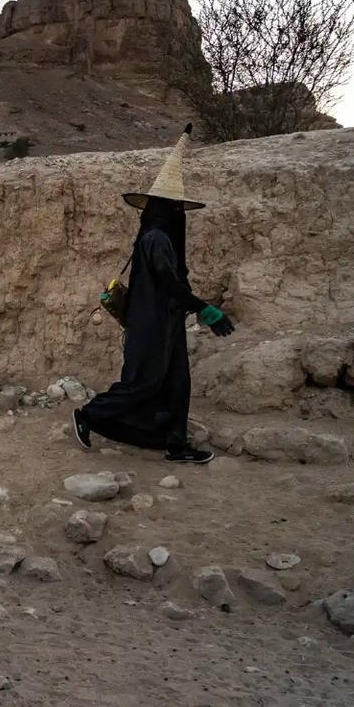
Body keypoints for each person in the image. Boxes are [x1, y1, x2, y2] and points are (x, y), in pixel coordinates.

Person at [72, 124, 235, 464]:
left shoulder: (157, 236)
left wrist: (189, 308)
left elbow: (174, 282)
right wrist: (204, 309)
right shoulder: (158, 239)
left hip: (167, 321)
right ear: (168, 211)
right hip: (151, 323)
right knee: (142, 383)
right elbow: (168, 283)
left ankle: (176, 444)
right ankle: (89, 414)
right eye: (175, 210)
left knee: (177, 383)